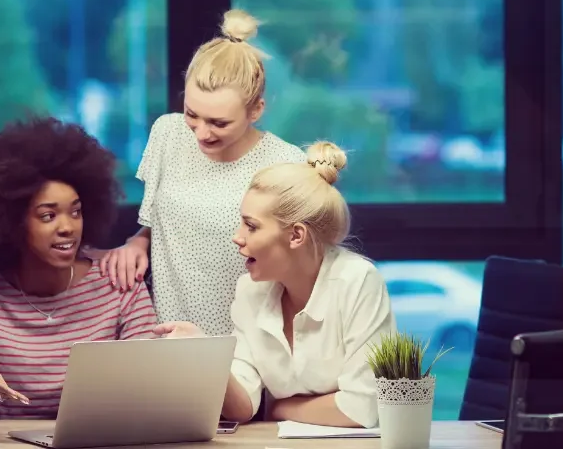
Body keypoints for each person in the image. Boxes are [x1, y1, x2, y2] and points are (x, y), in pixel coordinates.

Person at [155, 142, 396, 429]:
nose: (237, 237)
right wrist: (204, 353)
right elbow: (243, 406)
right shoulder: (250, 290)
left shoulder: (358, 281)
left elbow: (361, 408)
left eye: (251, 226)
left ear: (296, 236)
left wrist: (280, 408)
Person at [98, 8, 306, 337]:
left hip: (250, 341)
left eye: (219, 123)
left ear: (256, 110)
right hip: (169, 336)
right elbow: (163, 222)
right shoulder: (167, 133)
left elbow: (300, 264)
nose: (202, 133)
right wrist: (137, 243)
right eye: (192, 114)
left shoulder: (285, 162)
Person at [0, 117, 158, 420]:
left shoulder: (118, 279)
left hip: (103, 437)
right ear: (11, 223)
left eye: (76, 212)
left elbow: (149, 387)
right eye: (48, 216)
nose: (67, 227)